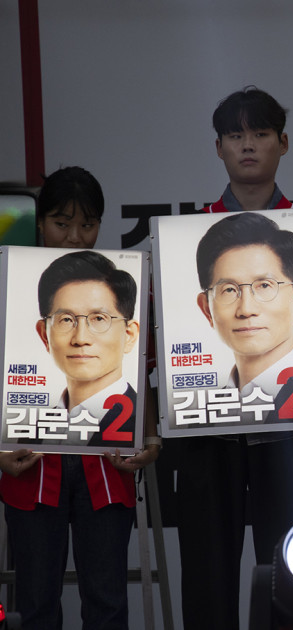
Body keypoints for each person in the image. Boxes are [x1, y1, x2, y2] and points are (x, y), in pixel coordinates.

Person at [172, 87, 293, 629]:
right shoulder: (188, 235)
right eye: (235, 135)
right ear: (218, 148)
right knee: (206, 573)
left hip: (287, 433)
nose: (248, 145)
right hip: (205, 432)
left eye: (259, 133)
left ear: (283, 143)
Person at [0, 166, 160, 630]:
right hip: (30, 465)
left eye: (87, 224)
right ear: (40, 222)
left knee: (107, 601)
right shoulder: (9, 287)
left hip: (107, 464)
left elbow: (143, 373)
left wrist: (151, 440)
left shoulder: (123, 286)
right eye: (61, 223)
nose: (74, 236)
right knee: (35, 602)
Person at [195, 212, 293, 423]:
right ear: (207, 309)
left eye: (264, 286)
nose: (246, 309)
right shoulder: (197, 415)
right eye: (229, 290)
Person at [37, 251, 140, 447]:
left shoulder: (140, 425)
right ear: (44, 335)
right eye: (66, 319)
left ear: (129, 334)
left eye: (99, 319)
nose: (81, 339)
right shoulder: (27, 431)